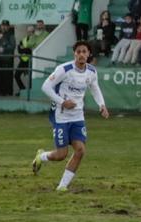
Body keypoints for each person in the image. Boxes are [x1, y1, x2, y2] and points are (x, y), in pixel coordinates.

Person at [32, 40, 110, 192]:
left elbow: (95, 89)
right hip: (61, 116)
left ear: (89, 54)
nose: (81, 54)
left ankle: (62, 186)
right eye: (78, 52)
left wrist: (102, 105)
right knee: (61, 155)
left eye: (84, 52)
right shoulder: (64, 69)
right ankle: (41, 157)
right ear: (74, 54)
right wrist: (62, 102)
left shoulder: (91, 72)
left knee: (80, 150)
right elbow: (46, 87)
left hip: (78, 117)